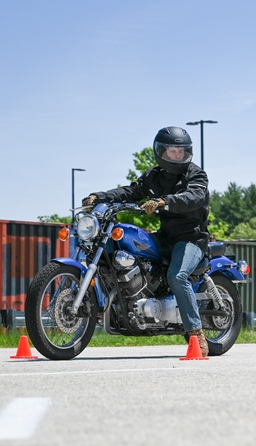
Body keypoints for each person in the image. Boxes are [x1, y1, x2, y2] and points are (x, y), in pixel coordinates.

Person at [82, 126, 211, 355]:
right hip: (165, 237)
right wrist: (100, 196)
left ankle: (195, 331)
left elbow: (195, 196)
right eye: (172, 151)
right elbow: (131, 191)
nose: (177, 156)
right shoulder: (154, 176)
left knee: (177, 275)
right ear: (161, 151)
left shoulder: (196, 174)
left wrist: (164, 201)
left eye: (181, 151)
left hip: (192, 237)